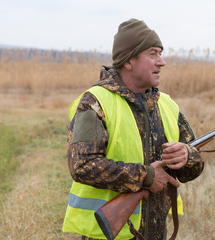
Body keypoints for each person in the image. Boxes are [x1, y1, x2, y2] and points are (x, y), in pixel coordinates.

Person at [62, 18, 204, 240]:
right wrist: (146, 176)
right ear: (129, 61)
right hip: (108, 234)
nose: (162, 61)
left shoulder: (166, 104)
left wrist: (187, 155)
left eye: (161, 53)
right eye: (153, 54)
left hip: (156, 233)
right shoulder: (94, 102)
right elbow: (82, 165)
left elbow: (193, 168)